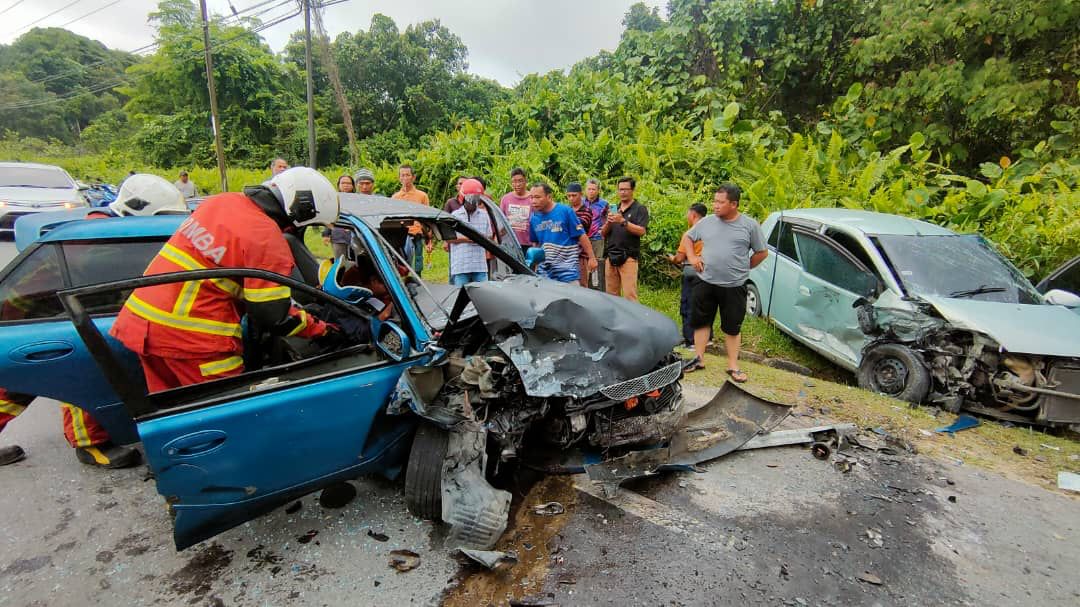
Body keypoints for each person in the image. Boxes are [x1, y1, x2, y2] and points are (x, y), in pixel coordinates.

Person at [0, 175, 188, 469]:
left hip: (35, 314)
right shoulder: (99, 241)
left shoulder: (104, 226)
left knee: (16, 388)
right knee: (82, 374)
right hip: (37, 316)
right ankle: (91, 444)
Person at [109, 167, 341, 392]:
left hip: (143, 321)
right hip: (194, 340)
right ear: (301, 211)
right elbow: (274, 316)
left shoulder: (222, 202)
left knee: (176, 416)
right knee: (229, 415)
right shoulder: (265, 238)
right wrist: (322, 331)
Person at [682, 184, 768, 381]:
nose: (715, 206)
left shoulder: (749, 225)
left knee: (732, 326)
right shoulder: (707, 222)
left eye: (721, 202)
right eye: (715, 201)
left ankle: (733, 365)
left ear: (734, 204)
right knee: (701, 321)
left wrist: (744, 267)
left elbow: (762, 252)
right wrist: (693, 257)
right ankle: (698, 358)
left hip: (734, 286)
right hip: (706, 281)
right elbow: (688, 238)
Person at [528, 182, 597, 283]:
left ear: (549, 196)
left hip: (568, 273)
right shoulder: (534, 218)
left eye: (538, 197)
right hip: (545, 274)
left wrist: (592, 258)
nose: (534, 201)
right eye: (532, 197)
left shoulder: (565, 211)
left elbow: (581, 235)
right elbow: (536, 245)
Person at [668, 203, 711, 348]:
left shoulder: (690, 233)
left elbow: (680, 258)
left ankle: (690, 340)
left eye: (688, 214)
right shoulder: (712, 231)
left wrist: (672, 258)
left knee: (688, 306)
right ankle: (708, 338)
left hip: (692, 272)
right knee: (705, 305)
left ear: (693, 215)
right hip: (709, 273)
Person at [601, 177, 649, 301]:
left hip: (629, 257)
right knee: (611, 296)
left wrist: (623, 221)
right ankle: (614, 320)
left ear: (632, 190)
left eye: (625, 189)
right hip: (610, 256)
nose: (622, 192)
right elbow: (603, 233)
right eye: (620, 189)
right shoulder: (613, 209)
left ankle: (633, 320)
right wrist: (609, 222)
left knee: (630, 295)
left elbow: (642, 231)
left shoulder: (640, 209)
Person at [447, 179, 493, 287]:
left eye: (476, 198)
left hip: (480, 266)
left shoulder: (484, 215)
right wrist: (471, 238)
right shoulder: (455, 216)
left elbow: (489, 236)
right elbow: (449, 239)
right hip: (461, 266)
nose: (473, 202)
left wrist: (482, 240)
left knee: (483, 298)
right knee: (461, 299)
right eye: (471, 198)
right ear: (464, 198)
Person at [390, 164, 432, 276]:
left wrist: (429, 238)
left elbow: (427, 219)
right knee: (403, 263)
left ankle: (418, 282)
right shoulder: (395, 197)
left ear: (413, 177)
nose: (405, 178)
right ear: (399, 178)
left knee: (418, 263)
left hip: (418, 234)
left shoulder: (422, 196)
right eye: (402, 175)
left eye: (407, 175)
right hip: (401, 236)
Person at [565, 182, 593, 287]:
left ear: (581, 195)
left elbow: (579, 225)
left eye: (574, 195)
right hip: (566, 254)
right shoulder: (567, 210)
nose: (571, 198)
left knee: (582, 285)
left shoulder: (587, 211)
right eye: (569, 196)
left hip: (581, 254)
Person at [583, 178, 609, 290]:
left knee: (596, 264)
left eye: (594, 189)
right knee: (584, 264)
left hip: (597, 239)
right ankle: (584, 287)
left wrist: (603, 229)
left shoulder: (604, 204)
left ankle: (596, 288)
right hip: (583, 238)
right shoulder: (581, 202)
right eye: (589, 189)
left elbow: (609, 219)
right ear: (585, 190)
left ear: (598, 190)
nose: (591, 191)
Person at [500, 168, 532, 254]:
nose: (517, 184)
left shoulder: (532, 198)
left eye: (520, 181)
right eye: (514, 181)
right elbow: (501, 221)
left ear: (526, 181)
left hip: (529, 244)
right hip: (511, 244)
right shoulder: (505, 199)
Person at [323, 174, 355, 259]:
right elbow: (329, 217)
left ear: (353, 186)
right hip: (338, 234)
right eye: (343, 183)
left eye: (348, 183)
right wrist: (326, 234)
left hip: (354, 234)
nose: (346, 185)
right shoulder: (333, 199)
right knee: (340, 260)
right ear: (338, 185)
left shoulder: (357, 200)